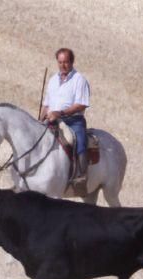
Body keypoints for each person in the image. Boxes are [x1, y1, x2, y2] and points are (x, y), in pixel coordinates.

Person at [40, 48, 91, 187]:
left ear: (72, 62)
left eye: (66, 62)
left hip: (73, 120)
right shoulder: (52, 80)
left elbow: (81, 105)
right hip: (51, 120)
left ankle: (82, 175)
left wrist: (60, 113)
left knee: (78, 139)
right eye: (60, 62)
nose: (63, 65)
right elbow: (46, 104)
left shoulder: (79, 79)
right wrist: (39, 120)